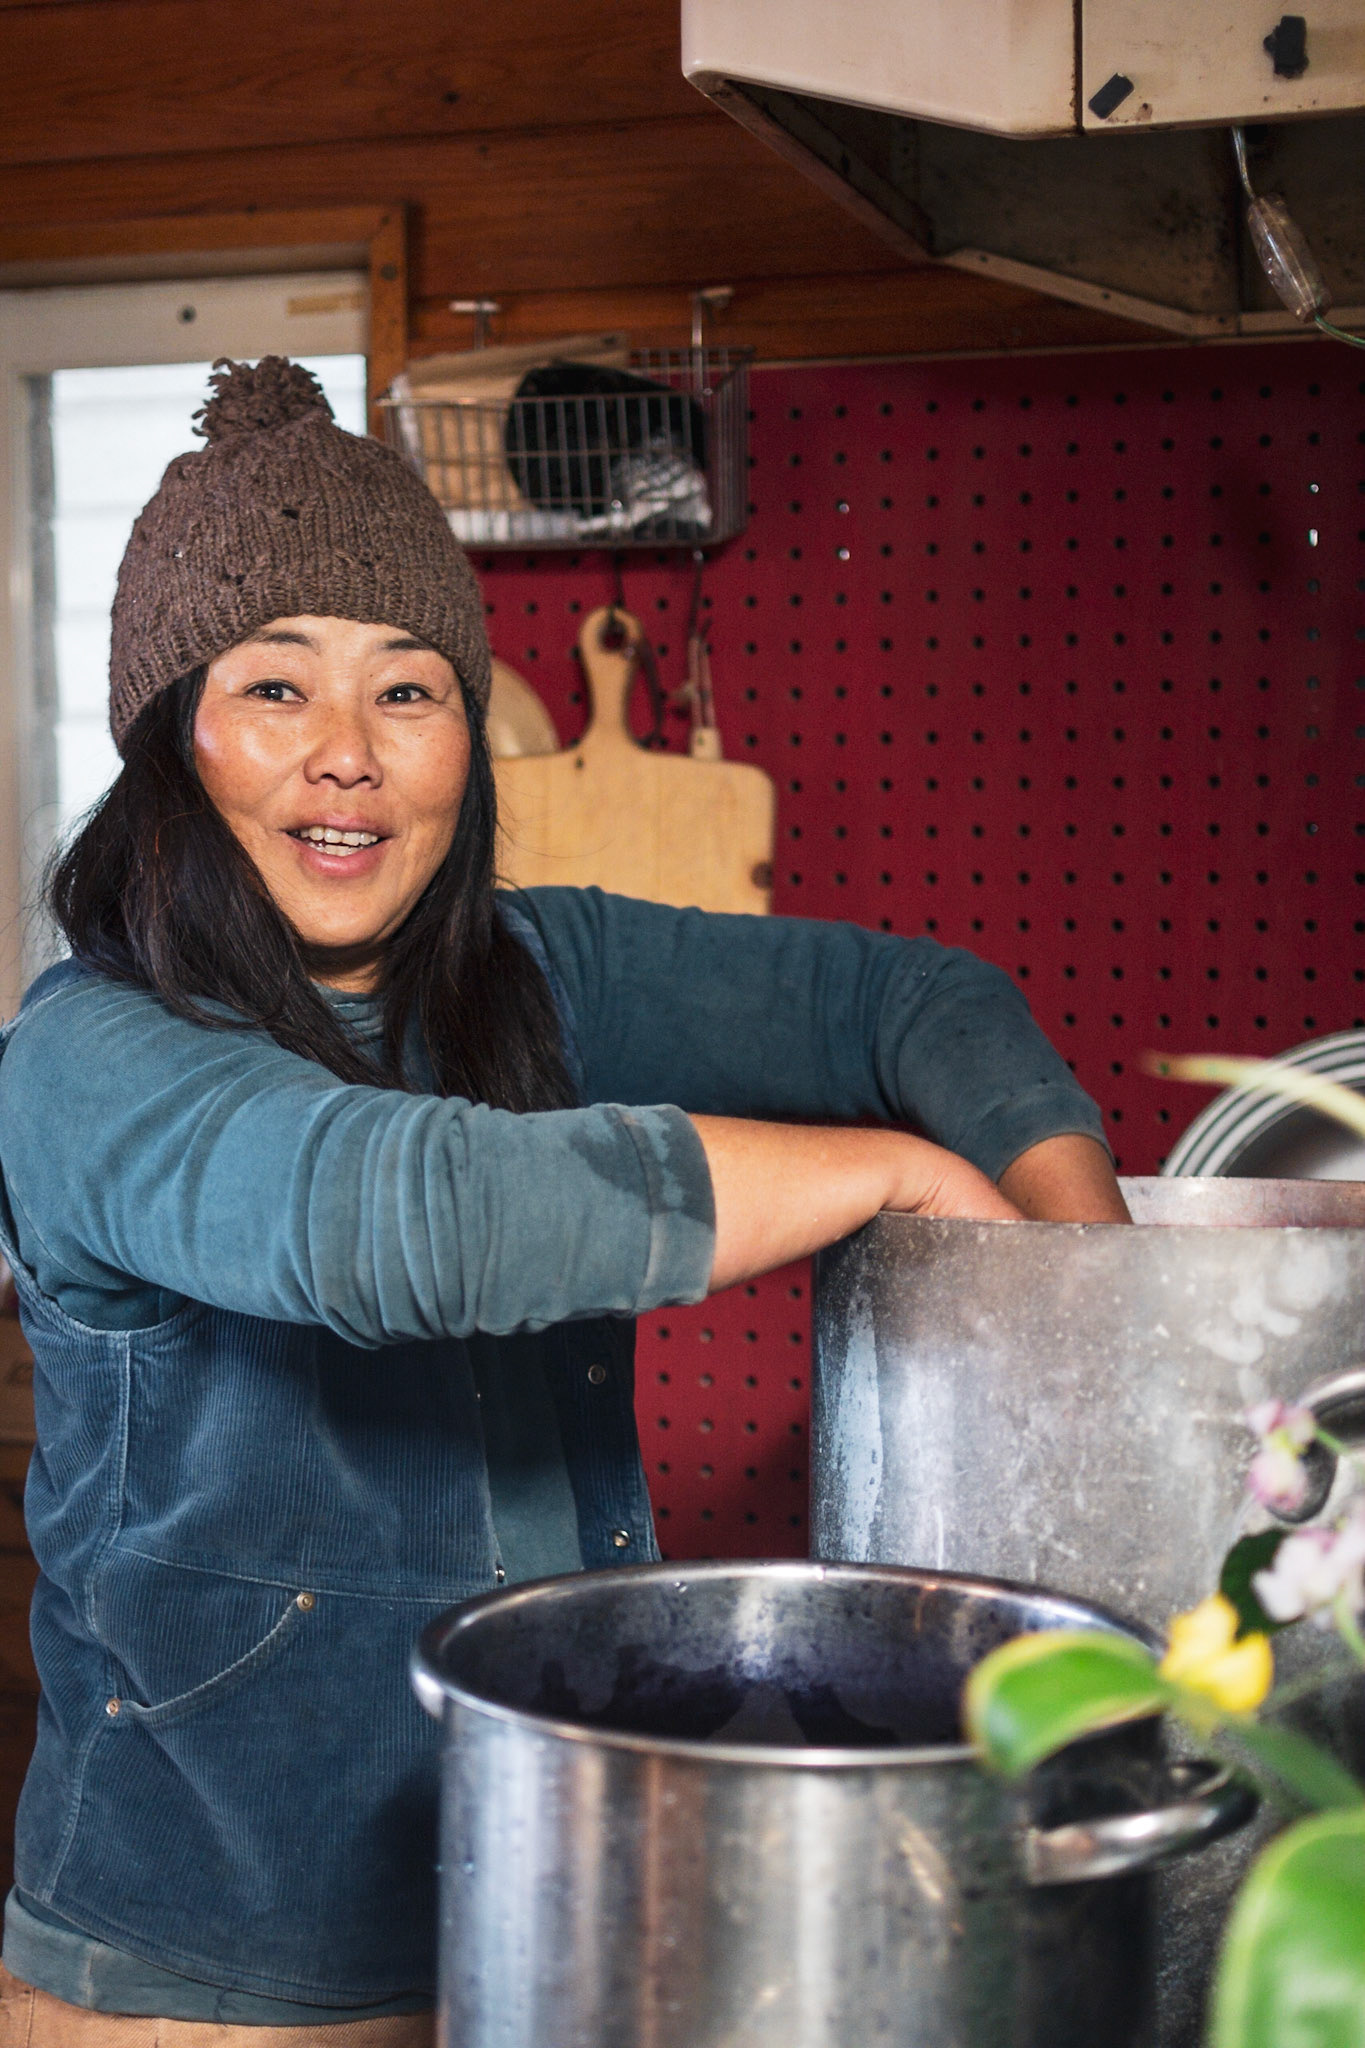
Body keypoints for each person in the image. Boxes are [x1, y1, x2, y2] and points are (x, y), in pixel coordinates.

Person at [0, 359, 1127, 2043]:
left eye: (406, 691)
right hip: (202, 1986)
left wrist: (1082, 1276)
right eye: (274, 688)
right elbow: (402, 1220)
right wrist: (890, 1174)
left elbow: (917, 1004)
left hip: (550, 1918)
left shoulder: (533, 972)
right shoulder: (87, 1054)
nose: (346, 758)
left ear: (467, 734)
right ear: (172, 739)